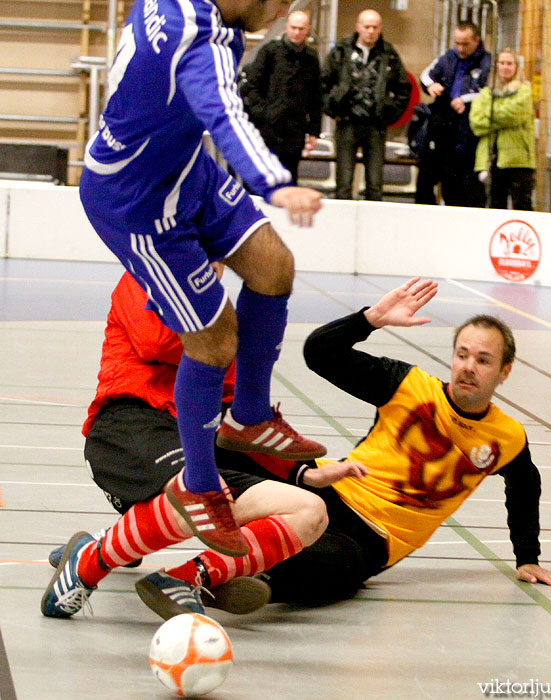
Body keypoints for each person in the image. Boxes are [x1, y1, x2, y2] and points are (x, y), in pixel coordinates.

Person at [75, 0, 328, 582]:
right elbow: (225, 114)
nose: (282, 11)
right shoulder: (200, 39)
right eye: (279, 2)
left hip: (185, 170)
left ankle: (250, 415)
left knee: (273, 266)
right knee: (214, 340)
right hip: (139, 202)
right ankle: (198, 483)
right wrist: (276, 184)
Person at [42, 269, 365, 620]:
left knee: (310, 511)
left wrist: (301, 472)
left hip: (194, 452)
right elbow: (159, 342)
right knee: (199, 498)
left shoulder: (221, 317)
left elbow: (235, 419)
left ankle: (187, 578)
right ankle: (90, 561)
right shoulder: (142, 278)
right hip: (129, 430)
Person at [237, 278, 551, 602]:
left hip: (373, 537)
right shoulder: (407, 385)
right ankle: (209, 513)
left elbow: (526, 487)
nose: (468, 367)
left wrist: (527, 557)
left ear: (504, 371)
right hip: (327, 487)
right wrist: (368, 320)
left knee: (335, 569)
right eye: (462, 355)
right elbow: (318, 353)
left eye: (483, 360)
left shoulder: (506, 437)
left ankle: (240, 577)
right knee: (232, 447)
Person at [320, 9, 411, 201]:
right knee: (343, 183)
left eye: (375, 27)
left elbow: (404, 88)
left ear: (380, 29)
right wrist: (332, 109)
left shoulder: (389, 54)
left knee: (375, 184)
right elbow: (322, 84)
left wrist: (390, 112)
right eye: (367, 26)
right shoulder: (341, 51)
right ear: (358, 27)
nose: (370, 31)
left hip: (376, 125)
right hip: (347, 123)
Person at [415, 21, 491, 207]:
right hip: (442, 128)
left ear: (476, 40)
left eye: (465, 44)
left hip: (468, 130)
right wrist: (431, 85)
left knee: (462, 186)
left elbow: (489, 92)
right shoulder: (448, 58)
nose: (460, 48)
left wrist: (465, 99)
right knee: (429, 180)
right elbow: (426, 75)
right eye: (457, 43)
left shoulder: (487, 62)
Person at [240, 10, 322, 184]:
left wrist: (314, 130)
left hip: (295, 130)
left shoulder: (311, 58)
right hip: (268, 128)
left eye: (301, 29)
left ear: (307, 30)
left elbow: (315, 96)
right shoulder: (269, 52)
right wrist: (262, 114)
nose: (297, 32)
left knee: (289, 178)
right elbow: (252, 86)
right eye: (293, 28)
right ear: (287, 27)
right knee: (262, 177)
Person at [469, 48, 536, 210]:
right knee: (495, 207)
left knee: (522, 207)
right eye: (502, 63)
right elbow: (476, 122)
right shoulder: (486, 92)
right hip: (491, 160)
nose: (505, 67)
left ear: (516, 66)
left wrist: (490, 113)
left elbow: (514, 114)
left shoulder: (524, 91)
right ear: (496, 66)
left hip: (518, 161)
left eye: (509, 63)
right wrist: (501, 114)